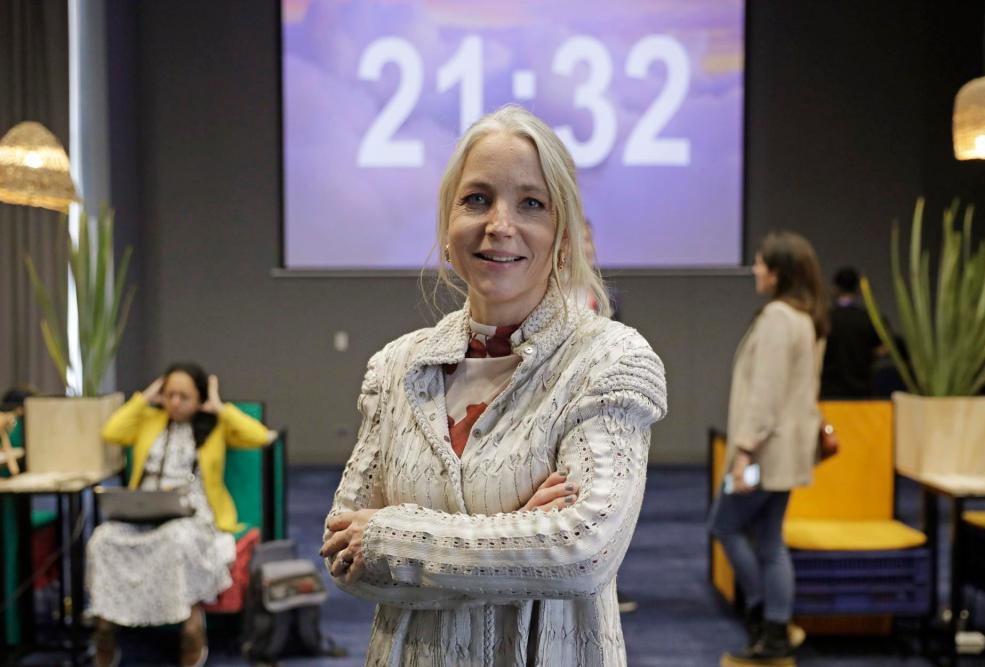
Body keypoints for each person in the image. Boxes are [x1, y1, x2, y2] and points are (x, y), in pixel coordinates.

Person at [319, 104, 667, 666]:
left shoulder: (609, 359)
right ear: (447, 225)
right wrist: (523, 530)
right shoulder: (396, 368)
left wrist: (391, 538)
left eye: (531, 203)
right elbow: (342, 554)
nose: (499, 224)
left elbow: (584, 554)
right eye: (477, 199)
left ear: (562, 234)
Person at [87, 363, 273, 667]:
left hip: (192, 513)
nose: (175, 402)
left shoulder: (214, 425)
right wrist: (146, 396)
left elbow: (260, 436)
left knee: (177, 540)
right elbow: (111, 431)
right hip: (143, 509)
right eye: (170, 394)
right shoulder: (150, 419)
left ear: (199, 398)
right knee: (102, 539)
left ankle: (190, 623)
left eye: (184, 396)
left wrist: (218, 405)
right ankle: (106, 625)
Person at [708, 232, 828, 666]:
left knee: (724, 526)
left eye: (761, 264)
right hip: (786, 452)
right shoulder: (806, 317)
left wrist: (744, 452)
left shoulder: (779, 318)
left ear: (778, 273)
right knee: (770, 541)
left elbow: (767, 392)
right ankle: (775, 629)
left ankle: (765, 620)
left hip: (764, 453)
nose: (755, 270)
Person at [820, 266, 882, 398]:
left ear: (835, 288)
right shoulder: (869, 318)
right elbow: (884, 348)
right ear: (858, 289)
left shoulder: (825, 318)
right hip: (862, 392)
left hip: (830, 392)